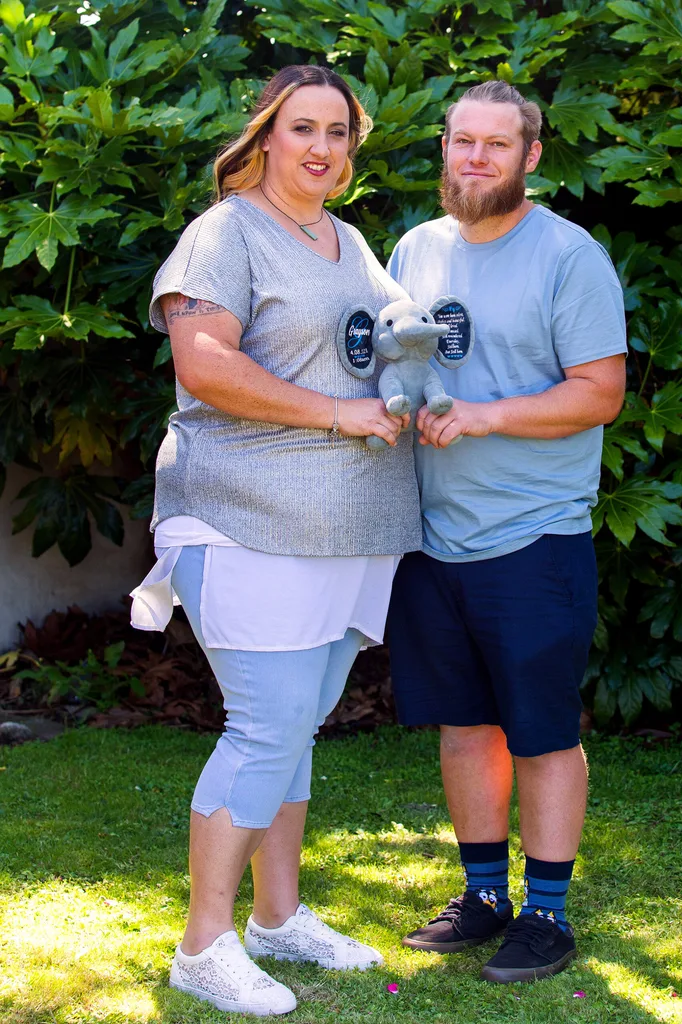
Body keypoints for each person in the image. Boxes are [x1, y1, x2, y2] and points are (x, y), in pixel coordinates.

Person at [130, 65, 420, 1017]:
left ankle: (278, 917)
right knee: (264, 726)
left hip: (346, 527)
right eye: (303, 129)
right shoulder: (226, 232)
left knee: (295, 728)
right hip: (243, 516)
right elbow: (204, 363)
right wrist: (340, 416)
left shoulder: (348, 240)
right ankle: (203, 946)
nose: (321, 149)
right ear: (264, 136)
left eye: (338, 133)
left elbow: (388, 340)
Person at [385, 81, 627, 983]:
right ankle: (486, 896)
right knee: (463, 725)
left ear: (531, 156)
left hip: (534, 536)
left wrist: (483, 417)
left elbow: (599, 392)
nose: (476, 158)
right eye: (462, 141)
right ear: (442, 149)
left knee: (543, 733)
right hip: (434, 536)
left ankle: (549, 916)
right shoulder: (416, 248)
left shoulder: (569, 256)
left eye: (498, 144)